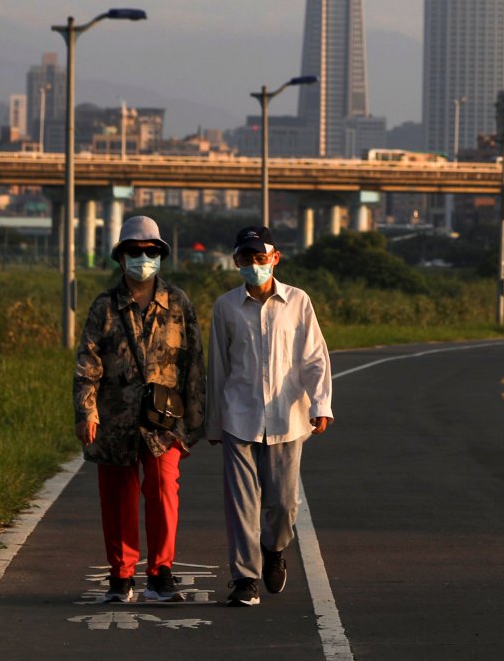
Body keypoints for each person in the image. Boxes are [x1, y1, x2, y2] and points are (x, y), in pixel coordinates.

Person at [74, 216, 206, 604]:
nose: (143, 258)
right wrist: (87, 412)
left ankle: (161, 572)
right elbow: (88, 361)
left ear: (161, 255)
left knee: (164, 490)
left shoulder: (178, 303)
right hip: (114, 416)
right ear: (121, 257)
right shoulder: (105, 306)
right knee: (117, 497)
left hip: (164, 420)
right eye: (135, 251)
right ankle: (121, 575)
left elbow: (193, 364)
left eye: (151, 251)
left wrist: (194, 425)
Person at [207, 225, 333, 608]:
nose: (253, 265)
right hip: (238, 417)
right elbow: (218, 366)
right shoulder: (225, 307)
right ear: (236, 262)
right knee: (241, 503)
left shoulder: (298, 302)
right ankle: (244, 578)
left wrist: (320, 403)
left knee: (283, 503)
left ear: (276, 259)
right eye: (246, 259)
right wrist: (214, 422)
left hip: (287, 418)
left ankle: (274, 548)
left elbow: (314, 357)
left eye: (260, 259)